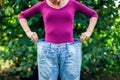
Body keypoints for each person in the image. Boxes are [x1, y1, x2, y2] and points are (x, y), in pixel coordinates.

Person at [18, 0, 98, 80]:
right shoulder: (42, 5)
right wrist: (28, 32)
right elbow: (22, 16)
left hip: (70, 50)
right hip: (47, 50)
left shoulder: (73, 4)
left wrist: (89, 31)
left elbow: (93, 14)